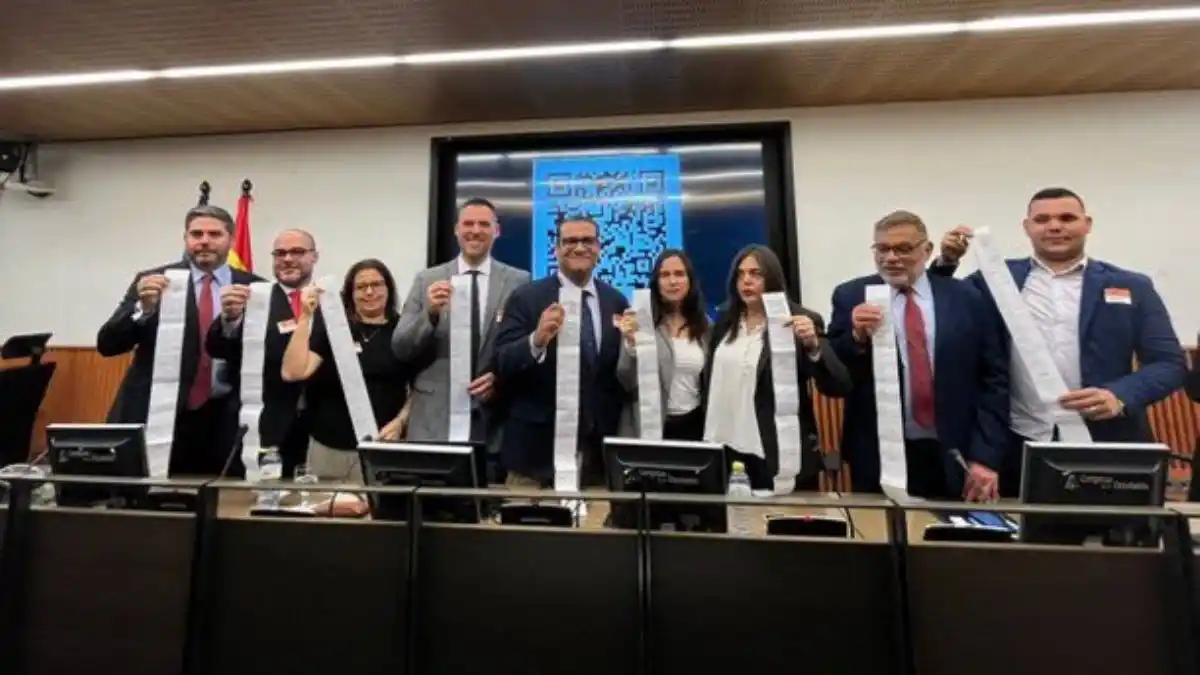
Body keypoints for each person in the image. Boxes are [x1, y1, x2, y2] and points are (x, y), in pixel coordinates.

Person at [932, 187, 1186, 495]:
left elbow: (1168, 364)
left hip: (1108, 445)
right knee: (1021, 539)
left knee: (1114, 538)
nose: (1054, 226)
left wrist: (1118, 396)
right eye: (1042, 219)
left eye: (1067, 218)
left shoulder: (1131, 285)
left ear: (1087, 224)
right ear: (1027, 227)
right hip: (1016, 445)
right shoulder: (995, 280)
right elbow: (940, 307)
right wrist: (946, 262)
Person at [829, 210, 1009, 502]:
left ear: (927, 251)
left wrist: (986, 456)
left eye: (903, 249)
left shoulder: (967, 298)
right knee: (880, 540)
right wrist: (856, 337)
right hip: (878, 451)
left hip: (954, 449)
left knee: (952, 540)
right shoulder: (851, 295)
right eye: (882, 249)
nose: (891, 258)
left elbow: (994, 380)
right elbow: (837, 372)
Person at [97, 205, 262, 476]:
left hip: (225, 418)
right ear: (186, 239)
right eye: (196, 234)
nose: (205, 241)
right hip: (160, 413)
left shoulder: (255, 288)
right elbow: (108, 345)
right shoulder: (154, 281)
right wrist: (144, 308)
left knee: (222, 503)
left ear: (231, 240)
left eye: (214, 234)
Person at [392, 197, 529, 480]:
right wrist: (429, 314)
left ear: (497, 231)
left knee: (485, 514)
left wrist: (500, 381)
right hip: (434, 421)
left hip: (492, 422)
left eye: (483, 224)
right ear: (456, 230)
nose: (475, 230)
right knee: (430, 510)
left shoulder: (519, 281)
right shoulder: (427, 279)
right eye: (468, 223)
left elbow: (524, 351)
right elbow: (401, 348)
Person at [701, 245, 852, 491]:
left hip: (774, 450)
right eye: (740, 274)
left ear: (772, 278)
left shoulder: (800, 319)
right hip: (726, 448)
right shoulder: (725, 321)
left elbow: (838, 384)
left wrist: (813, 346)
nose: (746, 281)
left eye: (755, 274)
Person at [492, 216, 629, 488]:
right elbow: (501, 361)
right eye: (570, 241)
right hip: (533, 456)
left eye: (587, 240)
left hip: (595, 459)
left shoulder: (615, 301)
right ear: (556, 250)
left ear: (599, 248)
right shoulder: (526, 297)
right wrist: (536, 340)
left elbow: (614, 376)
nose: (579, 248)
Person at [280, 259, 413, 483]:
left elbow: (419, 388)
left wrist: (401, 421)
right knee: (323, 514)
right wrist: (306, 316)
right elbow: (293, 372)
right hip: (328, 446)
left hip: (381, 447)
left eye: (377, 284)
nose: (369, 292)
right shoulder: (333, 327)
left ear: (389, 289)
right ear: (350, 293)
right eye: (361, 287)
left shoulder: (403, 331)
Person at [207, 228, 320, 478]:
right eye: (280, 253)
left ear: (314, 257)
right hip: (264, 426)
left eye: (297, 252)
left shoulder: (332, 301)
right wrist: (229, 319)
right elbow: (217, 348)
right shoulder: (253, 298)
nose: (287, 259)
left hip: (320, 430)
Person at [616, 249, 710, 441]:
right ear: (656, 283)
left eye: (679, 274)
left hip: (694, 426)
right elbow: (626, 380)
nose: (672, 281)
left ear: (690, 280)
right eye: (665, 275)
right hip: (648, 427)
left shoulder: (705, 325)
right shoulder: (640, 321)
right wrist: (631, 344)